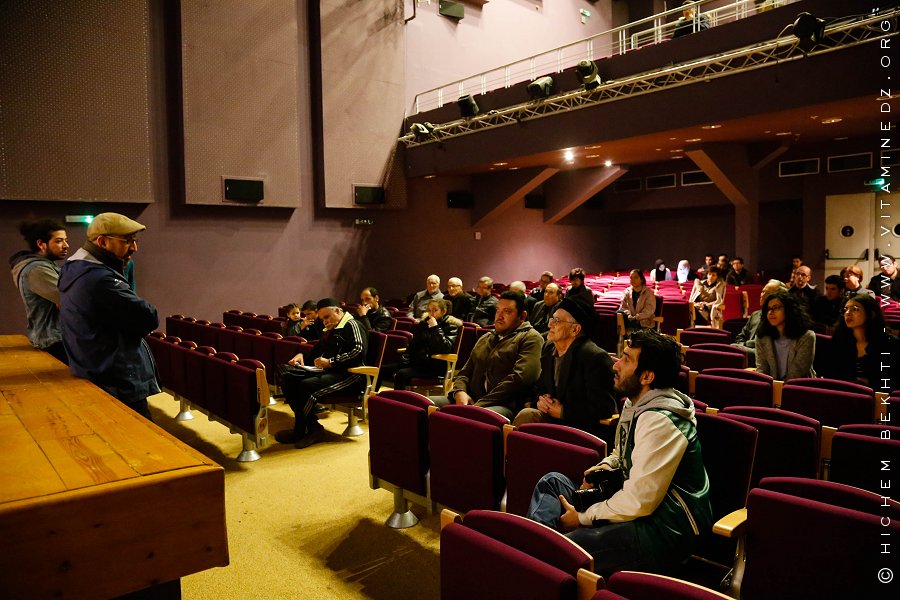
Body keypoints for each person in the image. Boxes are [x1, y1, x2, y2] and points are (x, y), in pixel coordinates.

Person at [526, 329, 712, 577]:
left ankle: (539, 564)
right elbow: (622, 452)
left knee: (572, 547)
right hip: (639, 510)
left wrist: (581, 518)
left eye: (626, 359)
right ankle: (540, 557)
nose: (616, 365)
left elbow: (639, 501)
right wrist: (606, 465)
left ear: (646, 376)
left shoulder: (661, 421)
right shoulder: (636, 404)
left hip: (666, 528)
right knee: (552, 483)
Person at [58, 213, 160, 419]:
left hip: (94, 369)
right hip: (116, 377)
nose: (134, 248)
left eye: (135, 240)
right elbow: (149, 317)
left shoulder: (72, 268)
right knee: (142, 439)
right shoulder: (99, 279)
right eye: (127, 241)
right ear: (102, 242)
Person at [512, 298, 617, 440]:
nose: (550, 324)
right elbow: (540, 387)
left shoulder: (595, 357)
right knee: (527, 414)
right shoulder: (549, 349)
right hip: (554, 420)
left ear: (575, 329)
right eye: (552, 319)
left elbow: (604, 408)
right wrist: (541, 401)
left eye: (557, 320)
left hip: (582, 428)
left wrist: (564, 412)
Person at [275, 298, 368, 448]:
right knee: (287, 378)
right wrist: (302, 356)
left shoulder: (353, 324)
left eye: (327, 317)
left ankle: (304, 430)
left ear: (338, 311)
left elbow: (358, 352)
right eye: (322, 319)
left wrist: (331, 361)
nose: (324, 322)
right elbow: (317, 349)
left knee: (305, 386)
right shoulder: (332, 328)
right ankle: (312, 428)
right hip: (333, 372)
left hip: (352, 376)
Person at [440, 290, 543, 419]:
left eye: (507, 311)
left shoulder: (531, 338)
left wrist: (480, 404)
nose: (499, 316)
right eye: (498, 310)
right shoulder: (487, 337)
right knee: (425, 405)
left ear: (522, 316)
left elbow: (520, 379)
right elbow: (465, 372)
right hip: (470, 399)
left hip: (504, 405)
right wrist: (459, 392)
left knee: (472, 417)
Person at [9, 219, 70, 364]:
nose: (66, 245)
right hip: (54, 341)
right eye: (59, 241)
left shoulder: (45, 266)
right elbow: (71, 300)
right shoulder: (37, 270)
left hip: (55, 339)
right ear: (41, 244)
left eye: (66, 240)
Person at [821, 293, 899, 393]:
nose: (848, 313)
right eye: (845, 309)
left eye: (855, 309)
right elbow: (830, 374)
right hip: (844, 395)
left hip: (878, 399)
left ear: (871, 314)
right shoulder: (839, 340)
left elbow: (889, 382)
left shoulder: (889, 344)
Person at [381, 299, 461, 390]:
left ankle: (400, 401)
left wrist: (435, 328)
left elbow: (445, 348)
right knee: (382, 369)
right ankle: (371, 398)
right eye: (429, 310)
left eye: (435, 310)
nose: (431, 313)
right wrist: (406, 357)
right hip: (418, 362)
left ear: (443, 311)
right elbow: (414, 343)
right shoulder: (424, 323)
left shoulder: (450, 326)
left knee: (401, 373)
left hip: (434, 366)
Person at [754, 291, 816, 381]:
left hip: (799, 388)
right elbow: (762, 369)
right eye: (768, 309)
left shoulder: (807, 337)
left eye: (776, 308)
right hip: (772, 387)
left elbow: (797, 373)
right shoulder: (762, 336)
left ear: (789, 310)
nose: (771, 312)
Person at [732, 279, 786, 366]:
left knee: (731, 348)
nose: (762, 295)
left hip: (766, 360)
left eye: (768, 293)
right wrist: (741, 347)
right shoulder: (755, 315)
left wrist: (741, 348)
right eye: (763, 291)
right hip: (745, 355)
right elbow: (740, 337)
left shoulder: (781, 319)